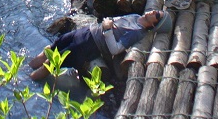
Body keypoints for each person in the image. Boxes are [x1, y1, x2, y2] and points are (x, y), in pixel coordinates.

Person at [29, 10, 172, 81]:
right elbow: (112, 21)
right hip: (86, 32)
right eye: (156, 11)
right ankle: (24, 70)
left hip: (89, 45)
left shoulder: (136, 33)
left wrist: (108, 29)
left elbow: (115, 49)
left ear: (154, 25)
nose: (153, 11)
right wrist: (107, 23)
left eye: (157, 15)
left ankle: (27, 82)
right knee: (49, 49)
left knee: (51, 63)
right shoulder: (136, 16)